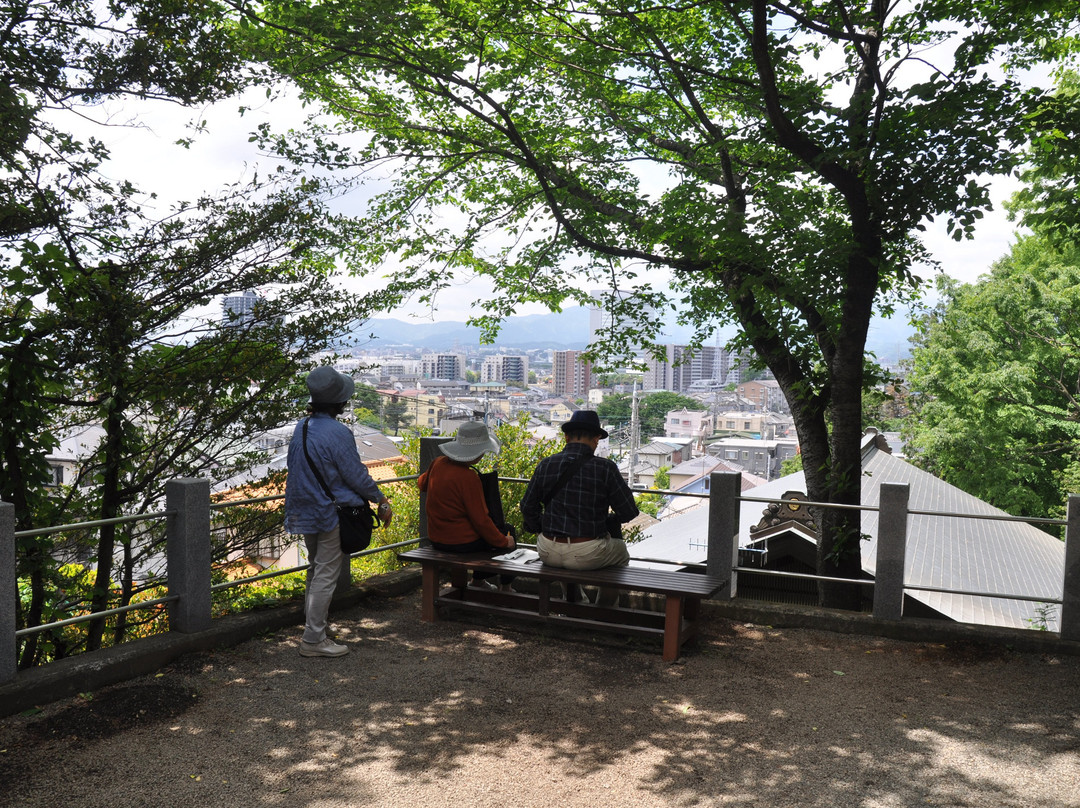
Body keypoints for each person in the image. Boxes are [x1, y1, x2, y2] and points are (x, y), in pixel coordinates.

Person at [285, 366, 393, 658]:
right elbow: (355, 475)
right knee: (326, 574)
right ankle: (312, 640)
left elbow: (294, 467)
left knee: (315, 569)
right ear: (340, 403)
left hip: (306, 508)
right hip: (332, 511)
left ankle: (314, 627)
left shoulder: (302, 426)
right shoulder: (338, 432)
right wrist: (380, 499)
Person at [519, 410, 638, 606]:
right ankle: (604, 609)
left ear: (566, 437)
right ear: (596, 439)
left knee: (565, 557)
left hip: (547, 549)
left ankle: (575, 602)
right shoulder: (605, 468)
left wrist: (541, 525)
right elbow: (628, 511)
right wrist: (606, 522)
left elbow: (527, 506)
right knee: (621, 554)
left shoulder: (546, 464)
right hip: (587, 552)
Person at [418, 421, 516, 589]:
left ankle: (480, 582)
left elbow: (422, 484)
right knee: (508, 532)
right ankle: (504, 587)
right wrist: (503, 541)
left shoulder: (438, 463)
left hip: (436, 538)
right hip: (461, 543)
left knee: (495, 536)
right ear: (476, 453)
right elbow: (481, 521)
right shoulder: (469, 478)